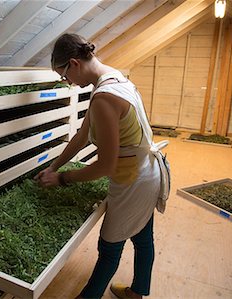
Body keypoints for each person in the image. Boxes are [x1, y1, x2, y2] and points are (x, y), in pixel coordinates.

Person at [34, 33, 170, 299]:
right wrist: (54, 167)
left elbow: (105, 166)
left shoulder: (104, 97)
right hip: (145, 171)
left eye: (64, 76)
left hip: (134, 180)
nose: (69, 83)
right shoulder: (111, 77)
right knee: (143, 237)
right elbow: (81, 136)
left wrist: (62, 179)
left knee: (109, 248)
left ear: (74, 63)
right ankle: (137, 292)